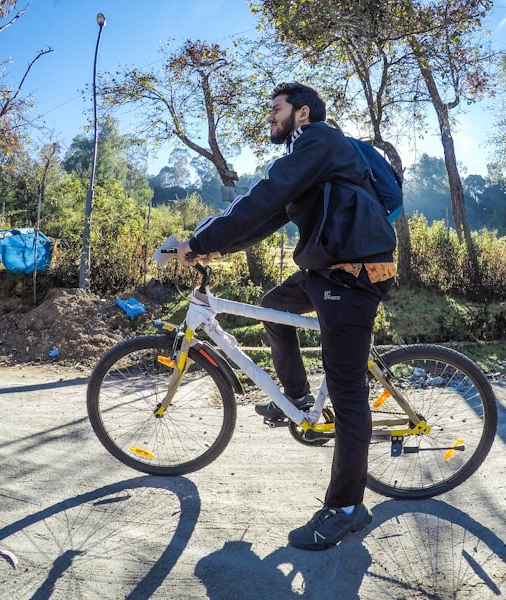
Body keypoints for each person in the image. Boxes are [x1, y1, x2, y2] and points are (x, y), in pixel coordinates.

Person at [174, 81, 396, 551]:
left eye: (276, 109)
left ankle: (347, 508)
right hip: (329, 270)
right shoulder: (309, 154)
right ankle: (292, 398)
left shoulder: (319, 141)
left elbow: (264, 195)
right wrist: (209, 249)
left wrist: (198, 242)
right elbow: (267, 217)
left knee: (347, 389)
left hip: (354, 274)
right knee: (274, 306)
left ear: (303, 113)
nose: (269, 118)